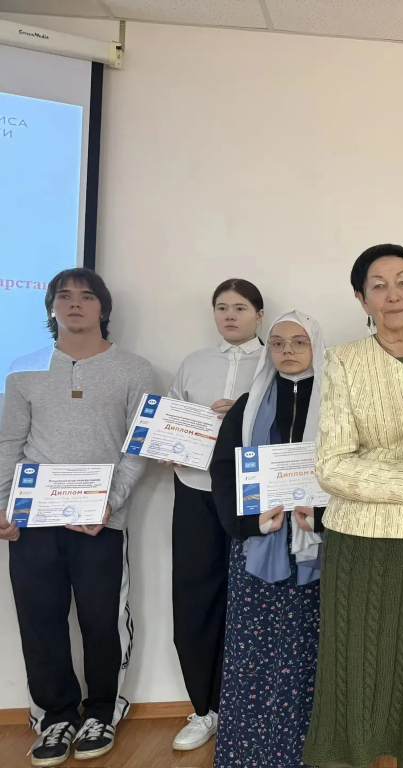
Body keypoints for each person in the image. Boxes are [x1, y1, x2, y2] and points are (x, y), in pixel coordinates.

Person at [304, 245, 403, 768]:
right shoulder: (345, 361)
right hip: (363, 540)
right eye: (378, 285)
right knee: (357, 664)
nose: (392, 294)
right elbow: (331, 466)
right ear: (362, 299)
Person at [0, 268, 154, 766]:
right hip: (32, 522)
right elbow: (9, 442)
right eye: (63, 296)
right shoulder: (22, 370)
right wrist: (3, 505)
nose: (74, 303)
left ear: (102, 307)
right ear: (50, 306)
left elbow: (138, 447)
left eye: (86, 296)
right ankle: (55, 716)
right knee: (39, 621)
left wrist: (111, 502)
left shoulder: (134, 369)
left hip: (100, 522)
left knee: (101, 621)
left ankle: (102, 711)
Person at [208, 310, 326, 768]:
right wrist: (251, 523)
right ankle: (250, 754)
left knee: (310, 654)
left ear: (316, 345)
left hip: (319, 548)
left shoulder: (337, 399)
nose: (287, 351)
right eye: (277, 343)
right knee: (254, 655)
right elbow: (224, 472)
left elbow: (349, 464)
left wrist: (323, 517)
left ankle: (309, 753)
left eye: (299, 342)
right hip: (259, 545)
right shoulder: (249, 404)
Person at [167, 279, 265, 751]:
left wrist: (239, 419)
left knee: (254, 601)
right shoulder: (193, 363)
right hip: (194, 488)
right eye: (222, 307)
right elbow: (169, 425)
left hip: (251, 495)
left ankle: (249, 706)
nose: (230, 315)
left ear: (259, 315)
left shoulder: (276, 360)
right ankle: (205, 709)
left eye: (240, 308)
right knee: (194, 598)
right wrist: (176, 437)